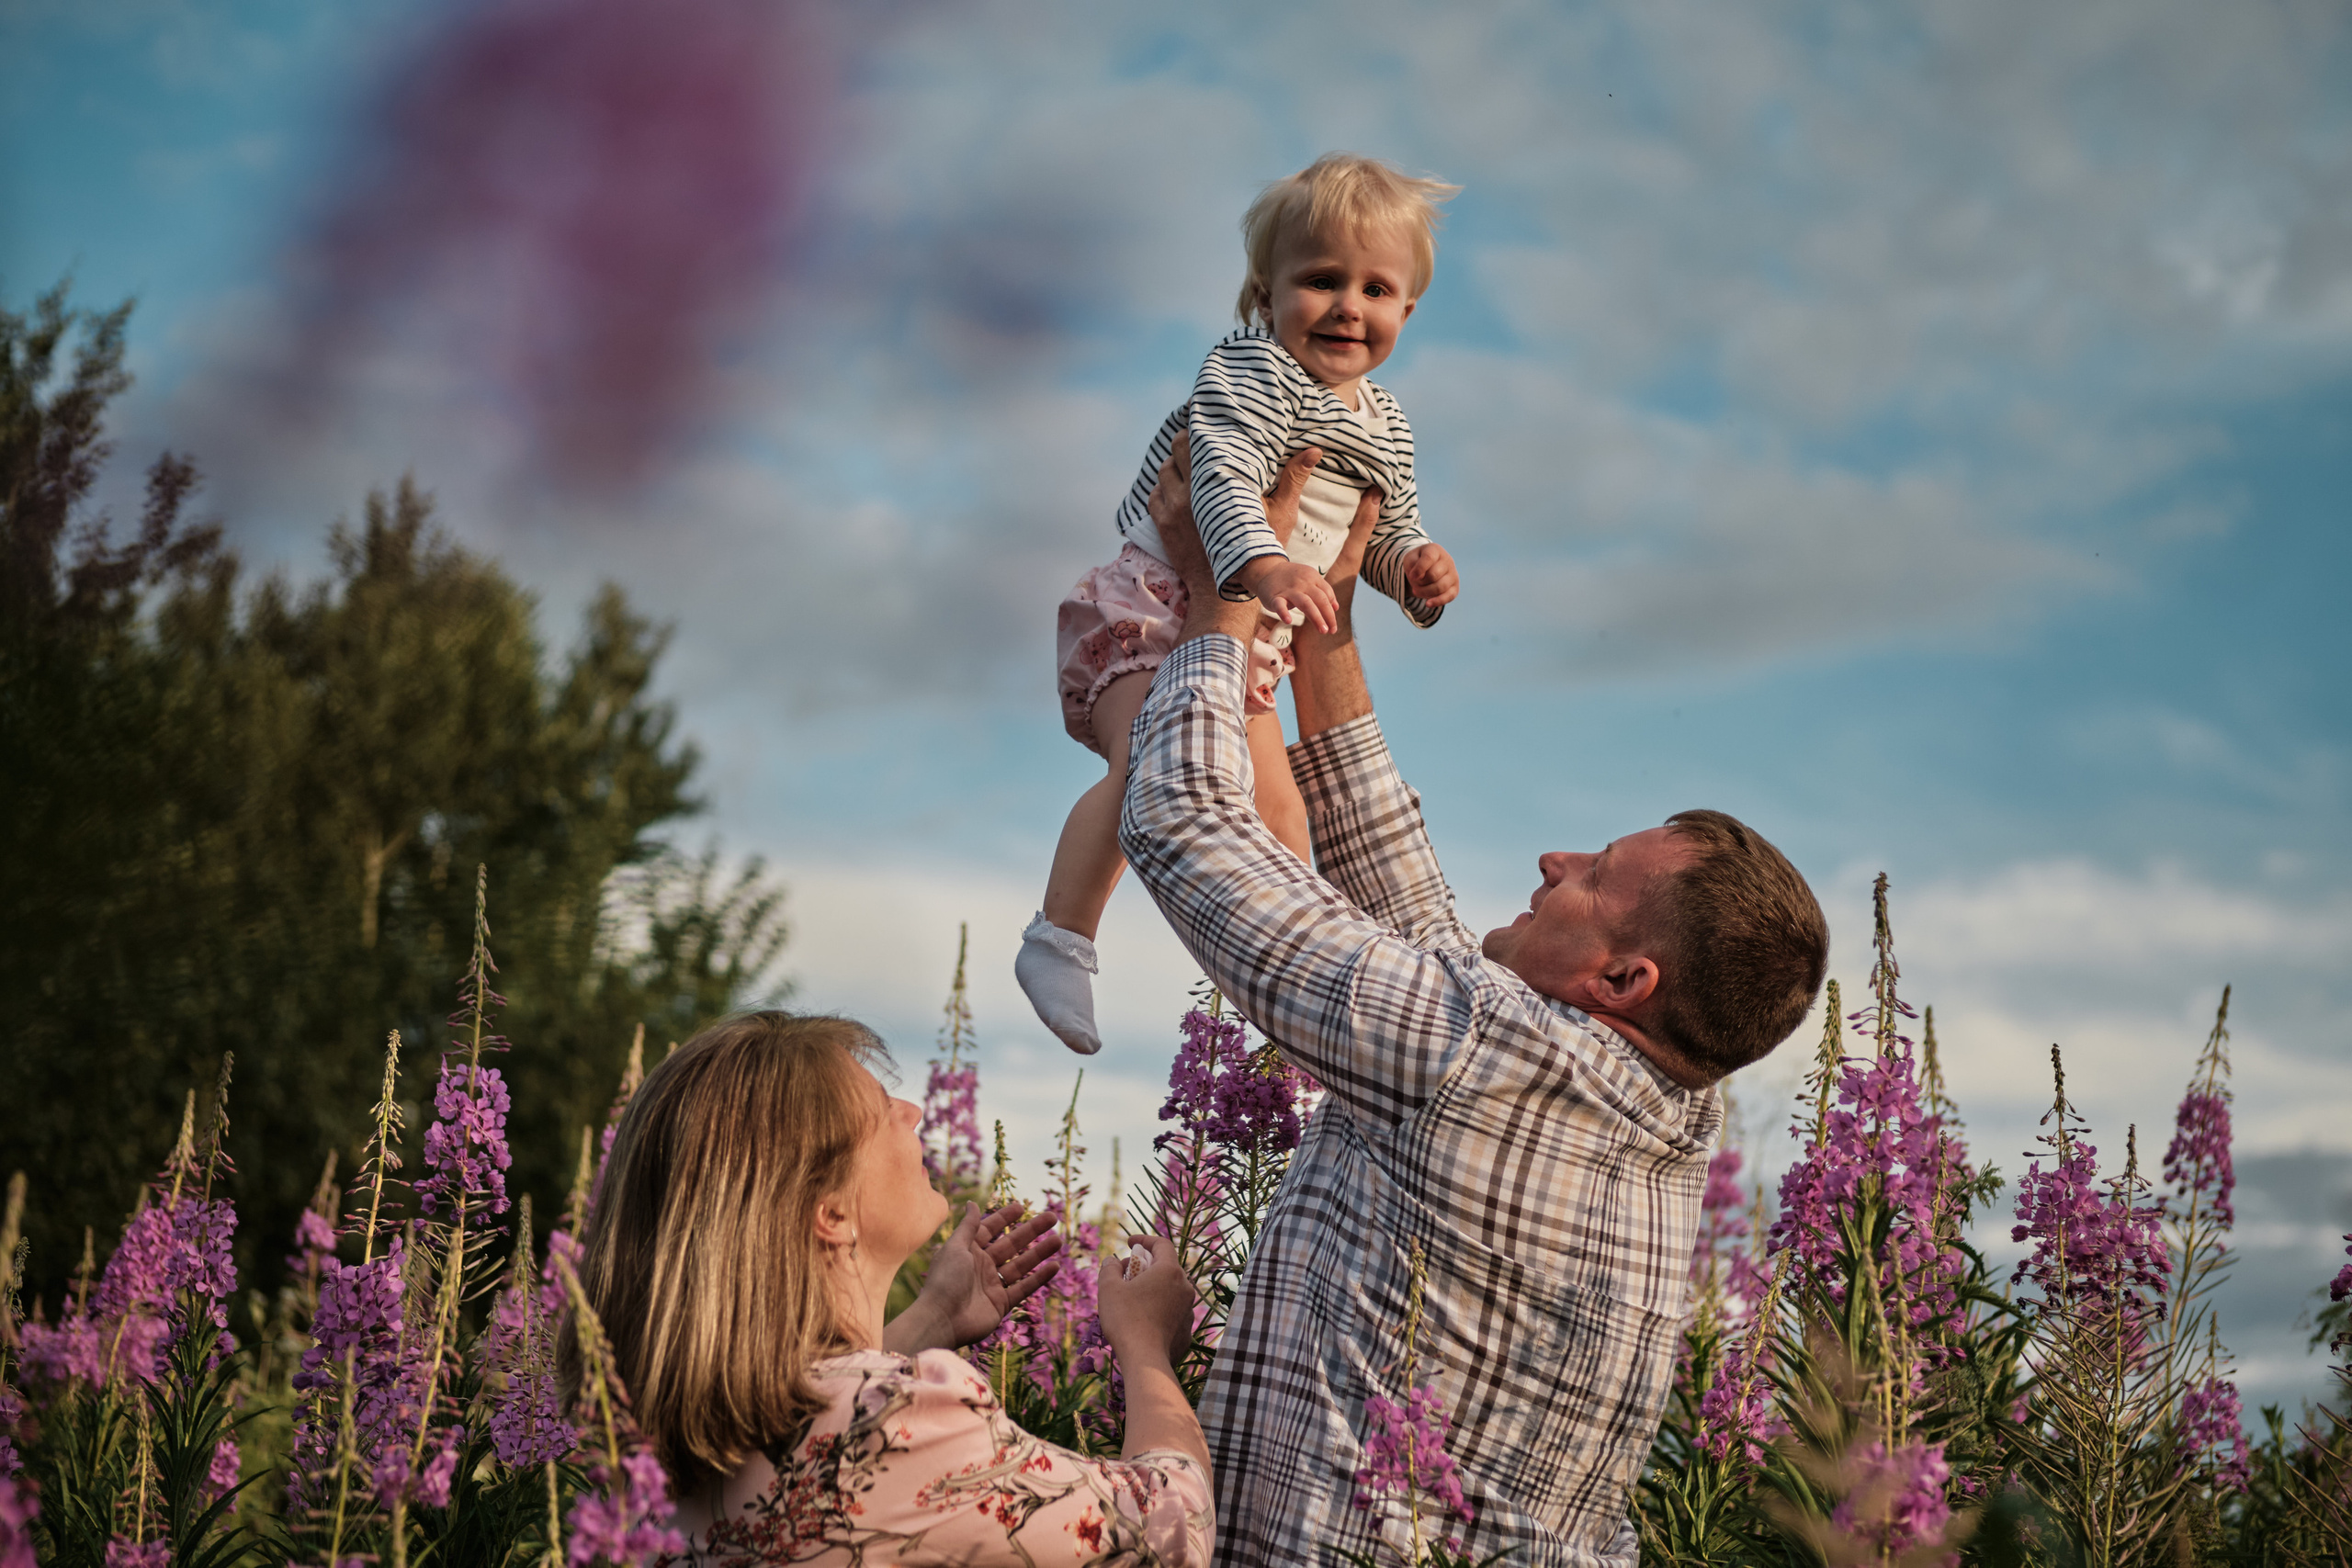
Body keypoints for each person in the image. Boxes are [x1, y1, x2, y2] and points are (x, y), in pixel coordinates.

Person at [1117, 436, 1829, 1566]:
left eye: (1592, 873)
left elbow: (1181, 827)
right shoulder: (1656, 1114)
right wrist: (1328, 622)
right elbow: (1418, 934)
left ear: (1618, 983)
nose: (1553, 861)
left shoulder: (1480, 1057)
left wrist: (1221, 601)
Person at [1017, 152, 1465, 1056]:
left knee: (1282, 814)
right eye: (1320, 280)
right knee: (1150, 763)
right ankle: (1059, 936)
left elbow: (1376, 533)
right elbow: (1218, 477)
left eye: (1376, 288)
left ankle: (1288, 996)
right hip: (1158, 600)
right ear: (1265, 296)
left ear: (1406, 311)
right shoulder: (1248, 371)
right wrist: (1258, 566)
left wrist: (1413, 571)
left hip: (1249, 632)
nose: (1348, 305)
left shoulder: (1386, 422)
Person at [561, 1011, 1215, 1565]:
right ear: (832, 1213)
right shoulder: (897, 1421)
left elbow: (808, 1421)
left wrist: (932, 1315)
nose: (914, 1108)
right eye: (882, 1110)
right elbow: (1171, 1527)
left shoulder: (647, 1457)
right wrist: (1146, 1345)